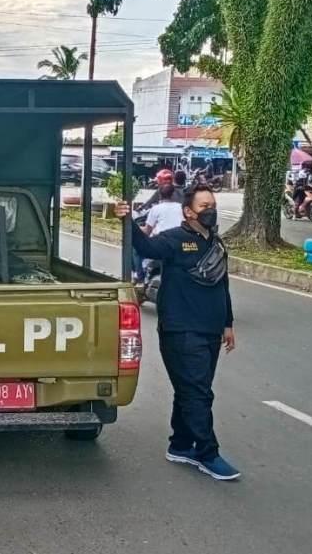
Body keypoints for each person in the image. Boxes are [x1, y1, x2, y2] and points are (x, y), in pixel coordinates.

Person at [116, 185, 240, 481]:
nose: (210, 210)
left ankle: (181, 445)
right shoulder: (175, 240)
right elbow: (146, 248)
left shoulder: (217, 243)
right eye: (203, 206)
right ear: (188, 211)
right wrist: (127, 221)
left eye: (212, 204)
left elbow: (222, 285)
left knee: (191, 390)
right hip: (181, 331)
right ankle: (207, 453)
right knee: (198, 393)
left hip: (210, 331)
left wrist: (228, 324)